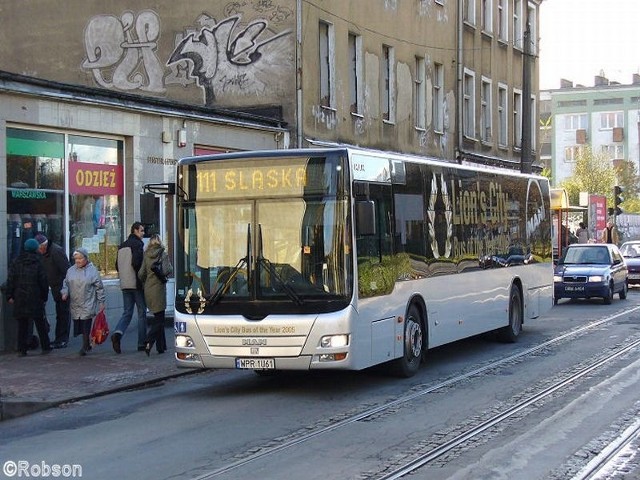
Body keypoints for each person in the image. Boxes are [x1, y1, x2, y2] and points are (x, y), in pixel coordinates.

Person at [5, 238, 52, 356]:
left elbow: (11, 280)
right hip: (35, 297)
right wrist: (44, 297)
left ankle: (22, 349)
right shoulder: (39, 261)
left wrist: (9, 295)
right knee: (40, 323)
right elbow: (43, 281)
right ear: (36, 248)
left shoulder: (17, 262)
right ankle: (46, 347)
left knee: (22, 325)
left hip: (20, 297)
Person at [61, 248, 106, 356]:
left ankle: (85, 346)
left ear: (86, 258)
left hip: (87, 301)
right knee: (79, 325)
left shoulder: (92, 271)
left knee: (86, 323)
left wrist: (101, 302)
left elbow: (99, 288)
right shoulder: (71, 270)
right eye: (76, 259)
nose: (78, 261)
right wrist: (64, 292)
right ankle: (87, 343)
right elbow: (66, 283)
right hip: (75, 302)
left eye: (80, 258)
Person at [112, 222, 147, 353]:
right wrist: (142, 278)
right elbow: (137, 263)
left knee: (127, 312)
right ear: (135, 231)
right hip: (136, 283)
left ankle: (117, 333)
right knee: (142, 312)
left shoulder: (122, 246)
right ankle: (142, 343)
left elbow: (117, 266)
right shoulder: (138, 245)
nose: (143, 233)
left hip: (124, 283)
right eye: (141, 231)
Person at [138, 234, 173, 355]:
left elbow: (141, 273)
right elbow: (168, 269)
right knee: (160, 320)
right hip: (158, 288)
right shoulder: (162, 253)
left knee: (158, 317)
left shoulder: (146, 255)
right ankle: (149, 340)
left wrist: (146, 281)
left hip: (148, 289)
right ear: (159, 242)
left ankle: (161, 346)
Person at [35, 233, 71, 348]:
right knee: (60, 314)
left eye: (38, 249)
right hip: (55, 287)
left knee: (63, 314)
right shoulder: (46, 253)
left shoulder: (56, 251)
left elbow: (67, 271)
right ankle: (58, 338)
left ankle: (62, 339)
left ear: (42, 246)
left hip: (62, 288)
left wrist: (65, 289)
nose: (38, 251)